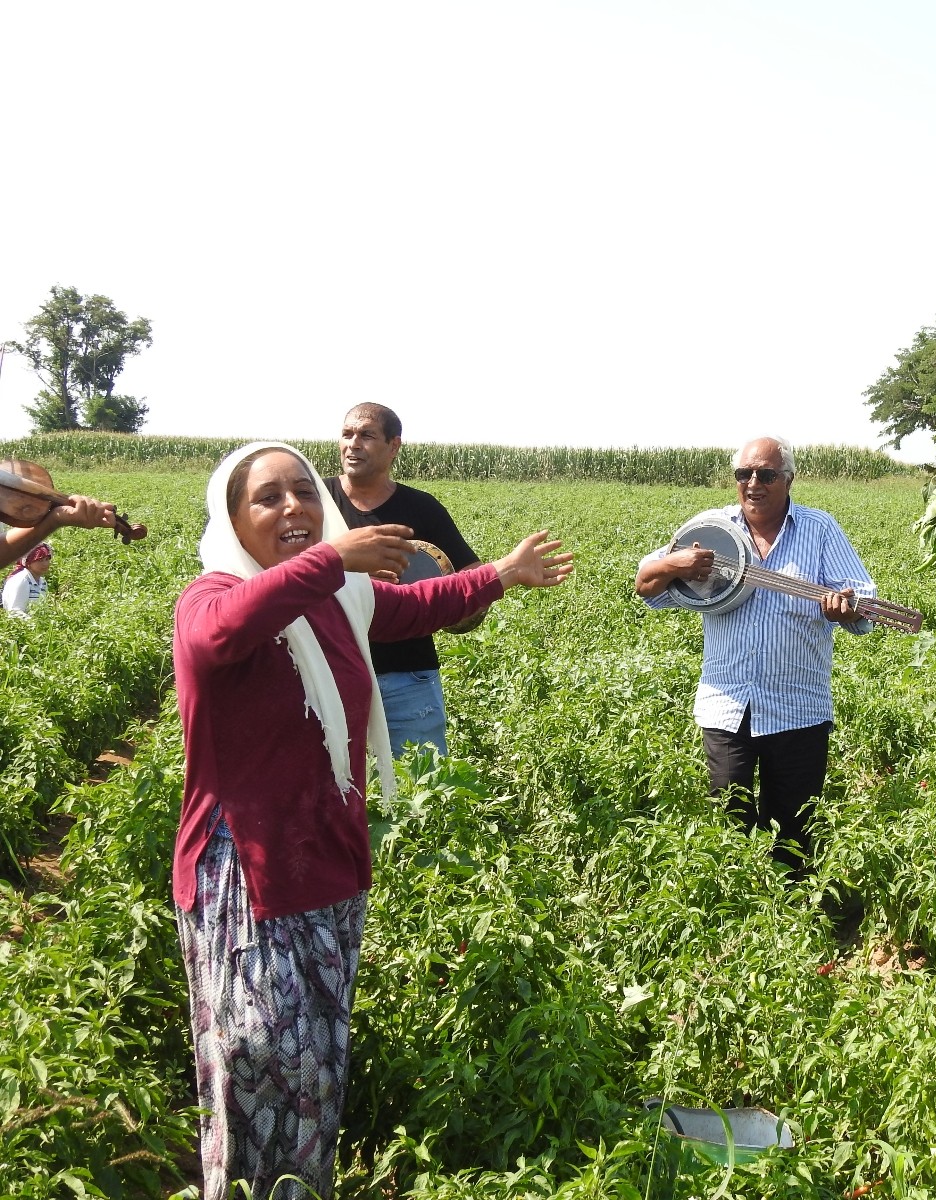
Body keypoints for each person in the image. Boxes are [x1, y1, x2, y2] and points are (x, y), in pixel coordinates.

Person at [172, 441, 573, 1200]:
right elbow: (220, 634)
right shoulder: (212, 599)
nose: (294, 507)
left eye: (303, 492)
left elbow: (415, 607)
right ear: (232, 519)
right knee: (256, 1053)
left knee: (317, 1054)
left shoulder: (335, 597)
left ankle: (302, 1187)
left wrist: (500, 575)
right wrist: (331, 560)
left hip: (326, 852)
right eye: (268, 497)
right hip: (245, 873)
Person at [634, 436, 877, 875]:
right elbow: (645, 582)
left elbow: (864, 600)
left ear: (788, 479)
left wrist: (845, 607)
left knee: (796, 829)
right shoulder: (711, 528)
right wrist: (677, 566)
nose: (753, 484)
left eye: (766, 475)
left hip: (798, 708)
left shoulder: (819, 529)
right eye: (744, 475)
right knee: (729, 827)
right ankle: (737, 921)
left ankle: (793, 922)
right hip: (727, 706)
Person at [322, 402, 481, 757]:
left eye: (366, 435)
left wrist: (456, 598)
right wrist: (352, 574)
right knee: (330, 791)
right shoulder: (315, 500)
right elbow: (281, 574)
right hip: (326, 671)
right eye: (347, 434)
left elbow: (469, 574)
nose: (353, 444)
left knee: (421, 788)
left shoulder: (422, 508)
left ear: (394, 446)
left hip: (408, 677)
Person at [3, 542, 52, 616]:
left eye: (47, 559)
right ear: (28, 563)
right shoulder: (22, 580)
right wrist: (36, 625)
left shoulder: (42, 582)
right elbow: (15, 612)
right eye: (40, 560)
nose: (45, 564)